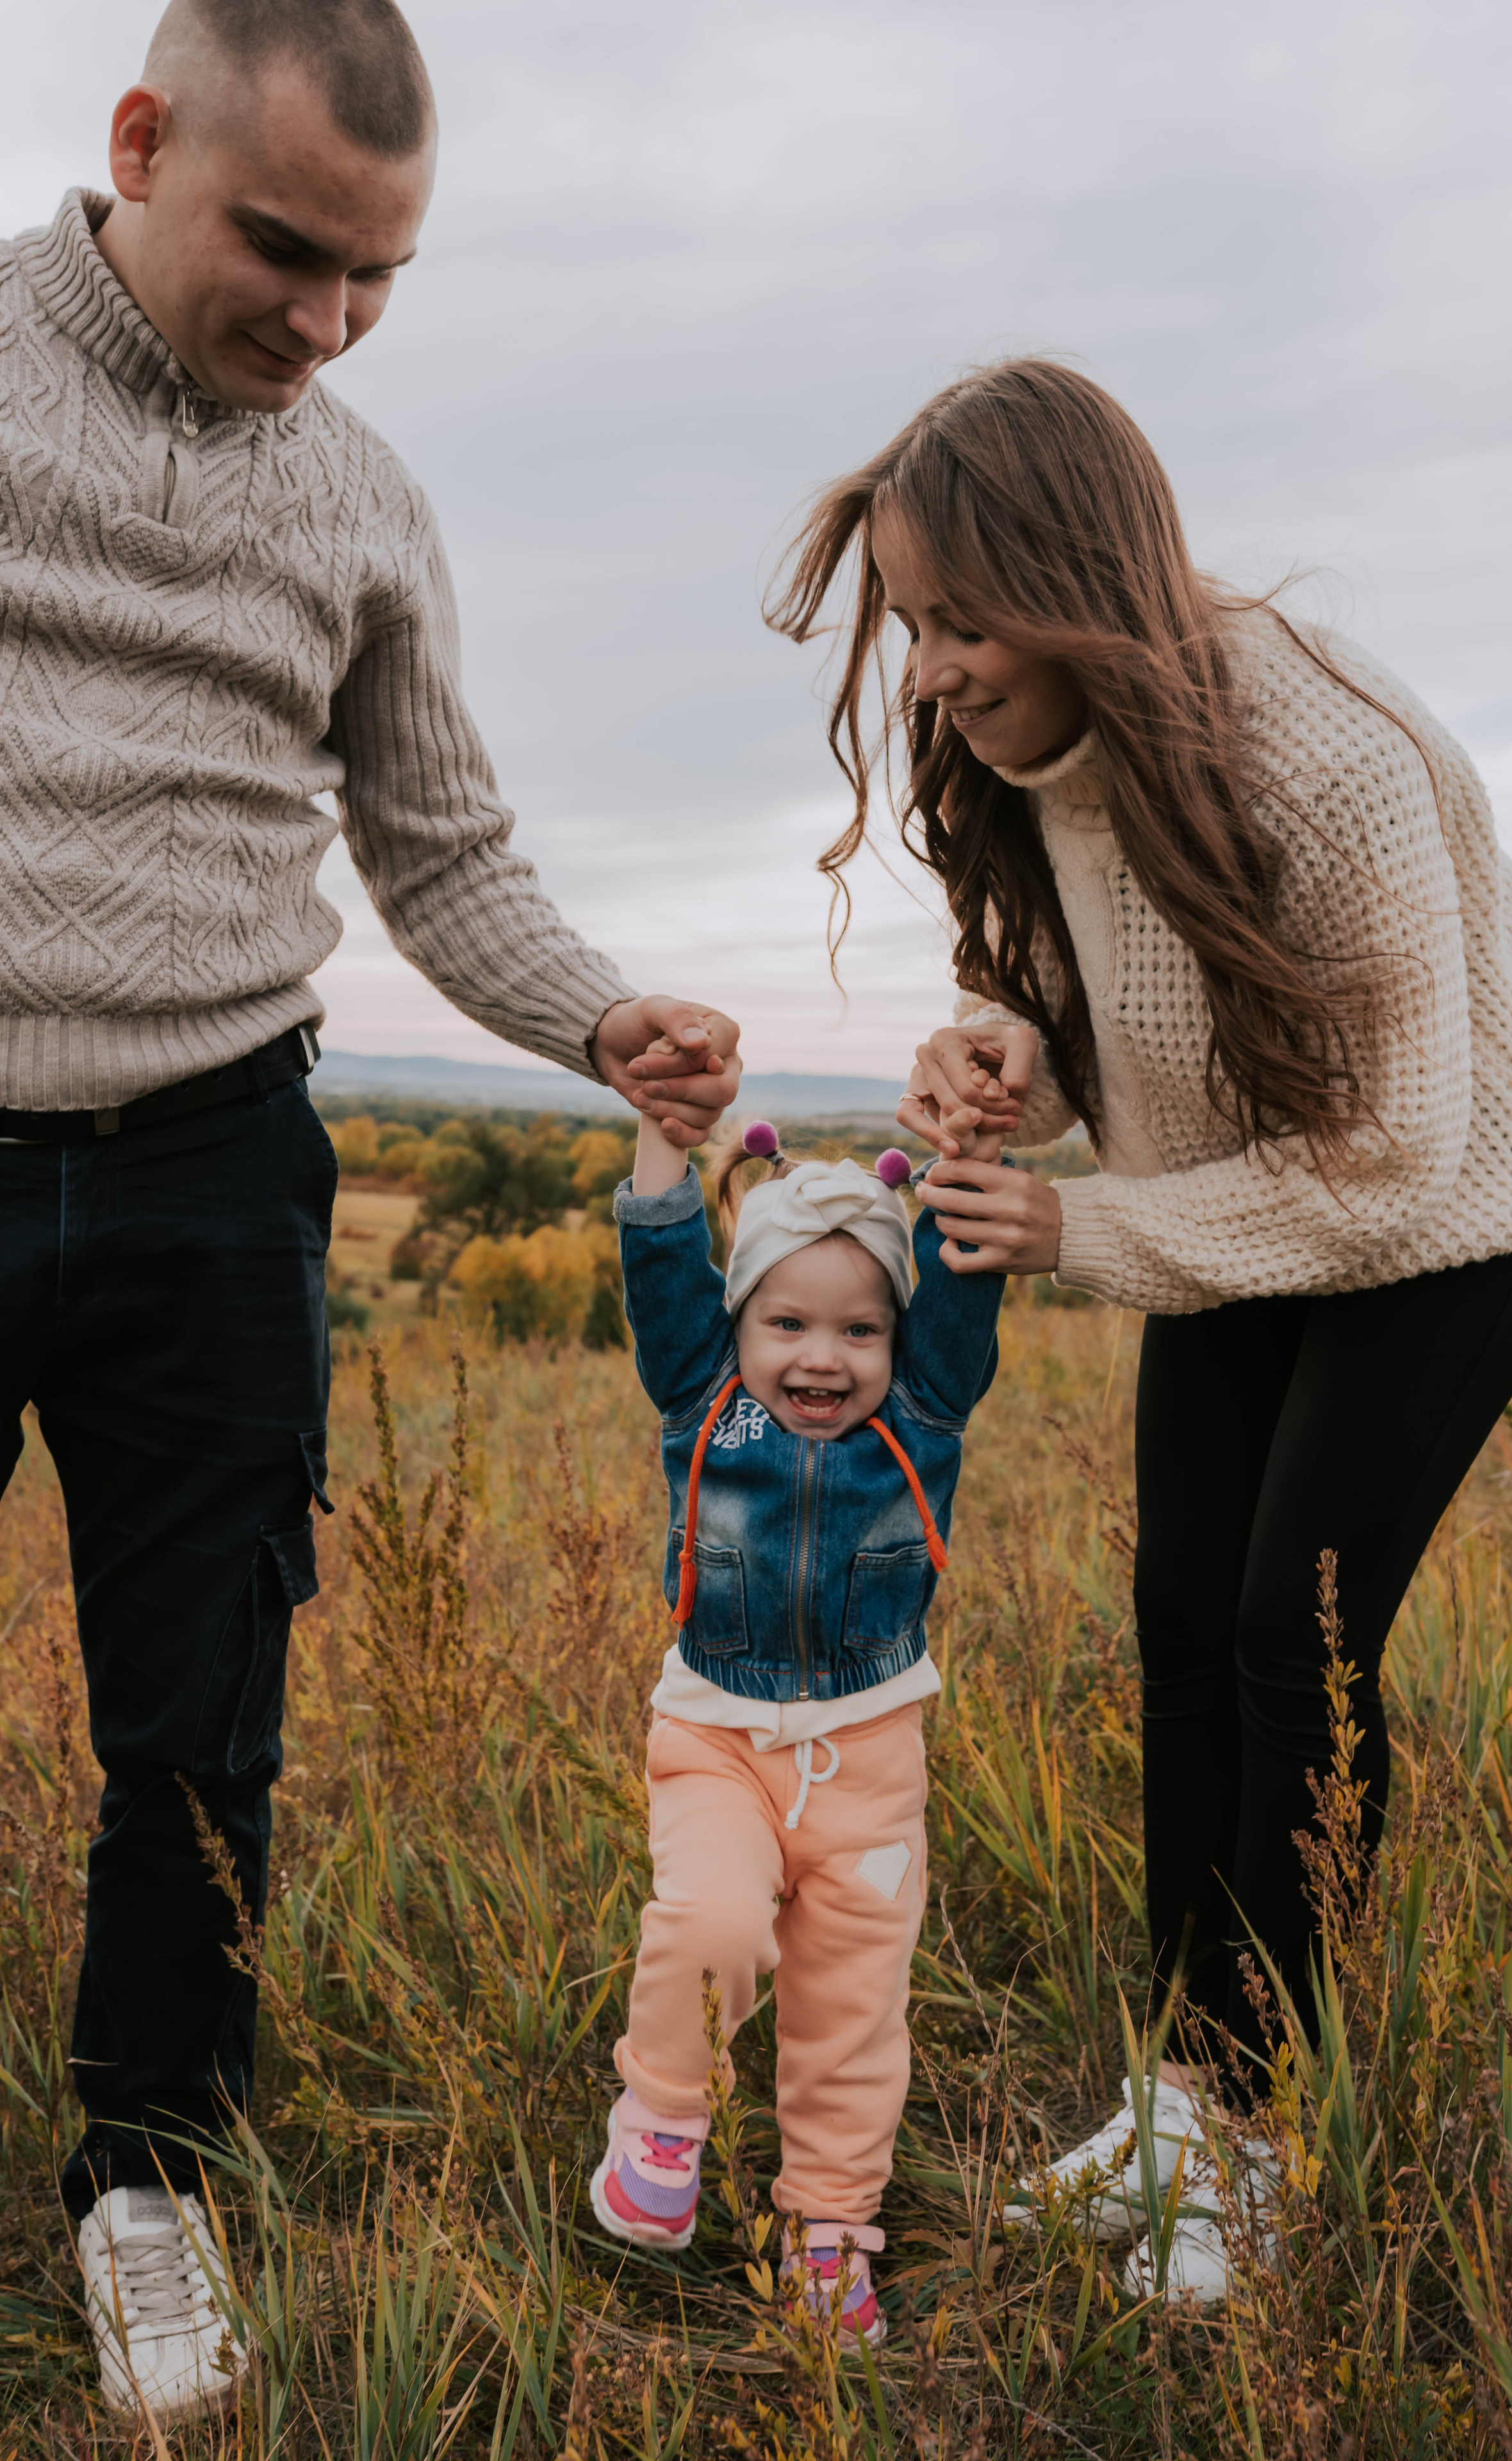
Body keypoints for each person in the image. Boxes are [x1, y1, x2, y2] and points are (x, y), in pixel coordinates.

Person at [1, 0, 739, 2421]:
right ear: (138, 142)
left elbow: (441, 848)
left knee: (201, 1719)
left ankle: (147, 2183)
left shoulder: (363, 500)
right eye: (289, 249)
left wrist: (603, 1022)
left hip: (219, 1155)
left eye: (382, 279)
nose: (326, 324)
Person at [767, 358, 1512, 2303]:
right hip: (1249, 1197)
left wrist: (1075, 1221)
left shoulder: (1331, 756)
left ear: (1079, 585)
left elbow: (1397, 1158)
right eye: (914, 623)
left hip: (1452, 1208)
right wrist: (1014, 1051)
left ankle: (1263, 2137)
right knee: (1176, 1618)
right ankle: (1188, 2086)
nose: (928, 670)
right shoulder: (1029, 749)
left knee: (1283, 1635)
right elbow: (1123, 1012)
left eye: (963, 620)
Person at [597, 1098, 1007, 2344]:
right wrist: (663, 1142)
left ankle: (828, 2235)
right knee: (712, 1920)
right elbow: (662, 1262)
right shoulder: (699, 1397)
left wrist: (971, 1153)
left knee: (849, 2010)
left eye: (856, 1329)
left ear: (898, 1337)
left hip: (870, 1759)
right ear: (736, 1327)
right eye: (785, 1323)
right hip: (717, 1738)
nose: (819, 1358)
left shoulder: (921, 1411)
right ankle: (662, 2117)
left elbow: (957, 1279)